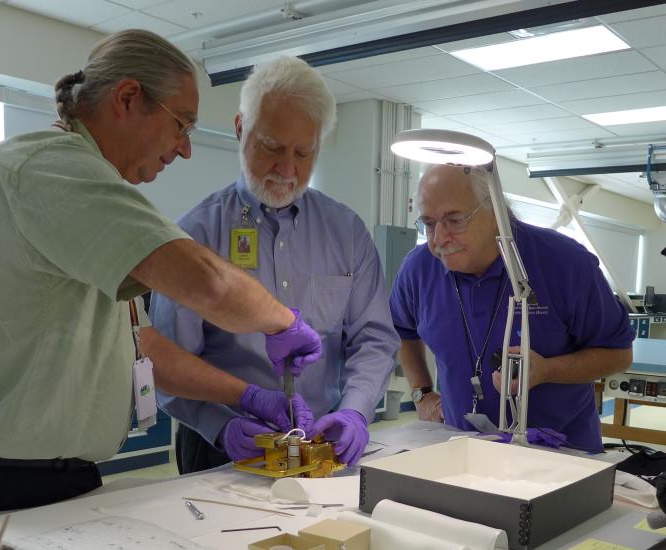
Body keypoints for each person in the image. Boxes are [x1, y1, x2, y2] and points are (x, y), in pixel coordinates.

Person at [0, 30, 323, 529]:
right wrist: (282, 322)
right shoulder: (51, 170)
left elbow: (142, 347)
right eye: (181, 125)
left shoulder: (84, 195)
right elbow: (207, 282)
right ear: (126, 98)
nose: (185, 149)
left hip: (51, 480)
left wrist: (245, 397)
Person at [150, 56, 401, 473]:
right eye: (272, 147)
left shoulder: (348, 232)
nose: (288, 169)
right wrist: (220, 425)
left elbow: (374, 339)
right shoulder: (193, 235)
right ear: (239, 128)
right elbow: (170, 360)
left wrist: (356, 410)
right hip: (222, 448)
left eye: (304, 152)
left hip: (323, 445)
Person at [389, 164, 634, 452]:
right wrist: (422, 393)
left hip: (563, 453)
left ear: (495, 211)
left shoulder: (565, 263)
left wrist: (548, 370)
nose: (438, 239)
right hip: (461, 449)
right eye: (429, 224)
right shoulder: (419, 270)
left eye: (455, 220)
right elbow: (401, 330)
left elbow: (619, 355)